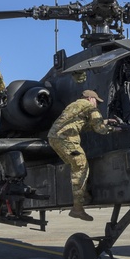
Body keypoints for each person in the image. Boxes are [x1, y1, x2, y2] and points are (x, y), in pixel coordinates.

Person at [47, 89, 120, 221]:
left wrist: (105, 121)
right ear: (90, 99)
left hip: (54, 138)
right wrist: (114, 129)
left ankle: (83, 195)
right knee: (81, 166)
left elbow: (84, 125)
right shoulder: (89, 107)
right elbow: (100, 130)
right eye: (96, 101)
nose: (97, 104)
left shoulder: (75, 105)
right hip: (66, 139)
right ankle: (77, 208)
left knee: (75, 166)